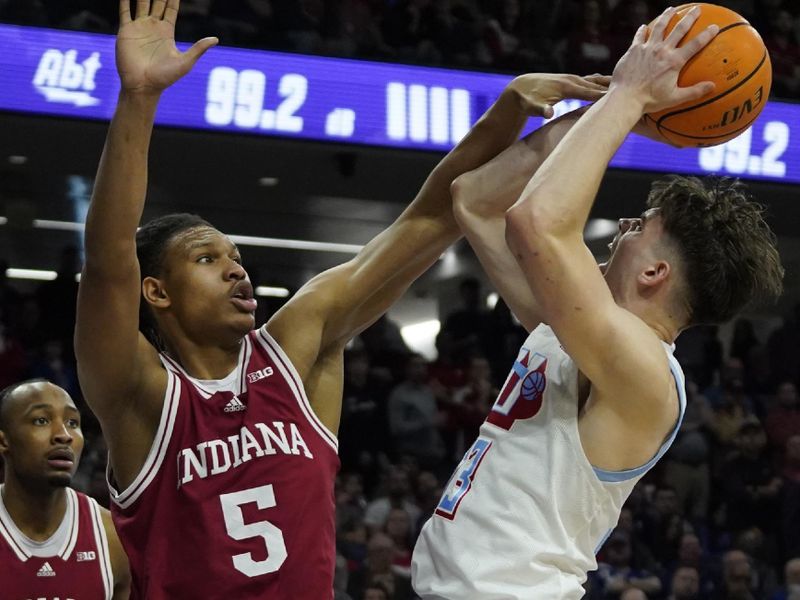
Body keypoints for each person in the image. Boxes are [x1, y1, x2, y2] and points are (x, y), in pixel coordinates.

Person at [75, 1, 609, 597]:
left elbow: (429, 218)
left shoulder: (296, 349)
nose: (234, 270)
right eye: (207, 259)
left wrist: (518, 110)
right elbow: (107, 265)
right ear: (156, 292)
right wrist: (140, 99)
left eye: (236, 257)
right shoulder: (139, 395)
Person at [412, 6, 784, 599]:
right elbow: (477, 199)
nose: (622, 227)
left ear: (657, 272)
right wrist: (615, 114)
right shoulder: (572, 331)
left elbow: (537, 221)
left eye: (640, 226)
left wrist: (630, 98)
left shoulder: (645, 372)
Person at [0, 379, 130, 599]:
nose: (64, 435)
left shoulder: (113, 539)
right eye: (41, 420)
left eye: (72, 422)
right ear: (4, 442)